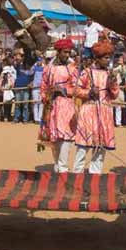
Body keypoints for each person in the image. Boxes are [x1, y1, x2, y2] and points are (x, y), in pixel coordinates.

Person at [72, 39, 118, 174]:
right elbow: (76, 91)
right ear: (97, 59)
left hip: (105, 113)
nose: (108, 60)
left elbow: (115, 95)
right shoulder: (87, 72)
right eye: (105, 58)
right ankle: (77, 175)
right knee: (83, 147)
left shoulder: (110, 74)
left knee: (100, 148)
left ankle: (95, 176)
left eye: (109, 58)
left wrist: (112, 85)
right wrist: (89, 93)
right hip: (88, 112)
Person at [40, 38, 79, 172]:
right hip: (51, 106)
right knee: (54, 137)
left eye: (69, 52)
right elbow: (44, 86)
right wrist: (46, 98)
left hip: (66, 105)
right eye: (65, 52)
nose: (67, 55)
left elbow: (78, 88)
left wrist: (63, 90)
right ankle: (57, 166)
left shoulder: (72, 68)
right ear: (58, 52)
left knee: (66, 136)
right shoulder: (48, 68)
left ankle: (63, 167)